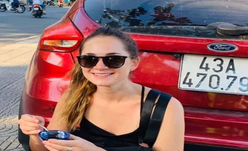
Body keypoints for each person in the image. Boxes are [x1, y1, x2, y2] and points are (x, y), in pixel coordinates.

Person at [18, 27, 184, 151]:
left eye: (113, 59)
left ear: (134, 63)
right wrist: (35, 134)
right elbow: (46, 149)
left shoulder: (164, 106)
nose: (100, 66)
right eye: (90, 59)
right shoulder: (75, 95)